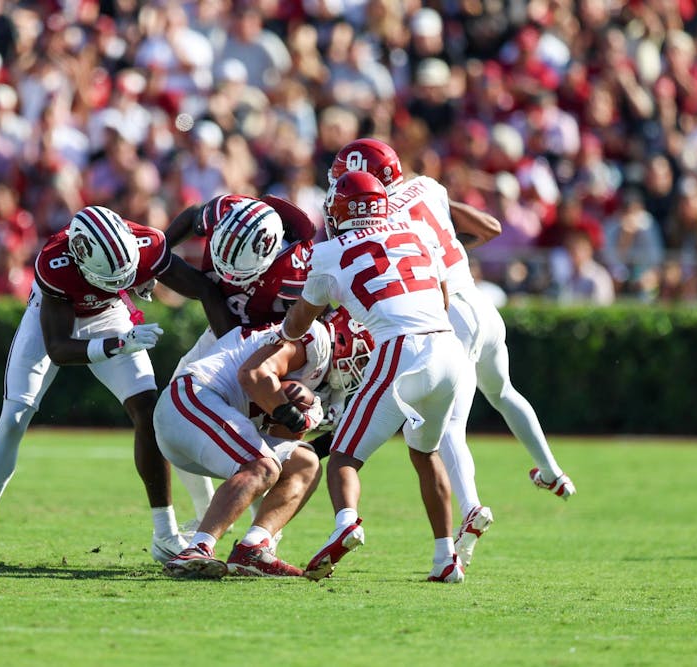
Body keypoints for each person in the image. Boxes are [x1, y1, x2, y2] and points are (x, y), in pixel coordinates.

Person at [329, 138, 577, 570]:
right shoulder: (427, 186)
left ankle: (471, 507)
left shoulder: (378, 219)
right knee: (504, 393)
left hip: (445, 312)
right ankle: (553, 472)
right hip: (480, 302)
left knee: (447, 426)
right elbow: (491, 228)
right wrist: (453, 252)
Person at [0, 205, 232, 567]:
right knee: (14, 416)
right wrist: (117, 344)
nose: (126, 280)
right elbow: (58, 348)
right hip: (54, 322)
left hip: (112, 315)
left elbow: (202, 285)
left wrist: (234, 348)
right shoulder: (56, 262)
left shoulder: (144, 244)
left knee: (151, 412)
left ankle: (165, 535)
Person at [274, 171, 468, 583]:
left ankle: (347, 523)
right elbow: (443, 298)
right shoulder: (417, 233)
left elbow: (299, 320)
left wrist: (282, 338)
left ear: (340, 209)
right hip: (449, 349)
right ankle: (445, 556)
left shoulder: (328, 253)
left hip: (402, 349)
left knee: (343, 456)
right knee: (425, 452)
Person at [156, 307, 373, 579]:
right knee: (262, 466)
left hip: (207, 431)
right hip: (192, 400)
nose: (362, 368)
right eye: (363, 358)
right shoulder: (313, 339)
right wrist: (293, 416)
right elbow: (254, 374)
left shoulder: (328, 382)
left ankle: (254, 548)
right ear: (345, 337)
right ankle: (197, 548)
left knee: (305, 464)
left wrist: (301, 424)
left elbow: (283, 444)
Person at [160, 194, 317, 523]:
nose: (228, 275)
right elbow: (191, 216)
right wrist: (159, 252)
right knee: (173, 413)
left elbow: (301, 324)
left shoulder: (295, 267)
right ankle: (207, 513)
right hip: (220, 332)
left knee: (265, 441)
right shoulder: (229, 211)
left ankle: (262, 535)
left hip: (261, 345)